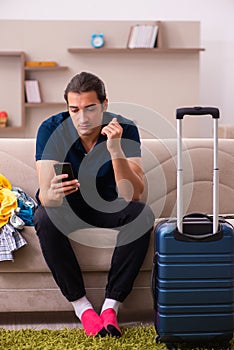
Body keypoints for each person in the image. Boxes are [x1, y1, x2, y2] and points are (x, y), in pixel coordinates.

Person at [34, 71, 155, 337]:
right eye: (74, 109)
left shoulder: (125, 129)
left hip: (109, 206)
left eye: (90, 108)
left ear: (104, 104)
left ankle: (111, 307)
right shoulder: (51, 129)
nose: (82, 117)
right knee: (44, 216)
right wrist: (53, 192)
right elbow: (46, 197)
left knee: (142, 214)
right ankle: (83, 308)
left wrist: (115, 150)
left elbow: (132, 195)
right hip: (68, 208)